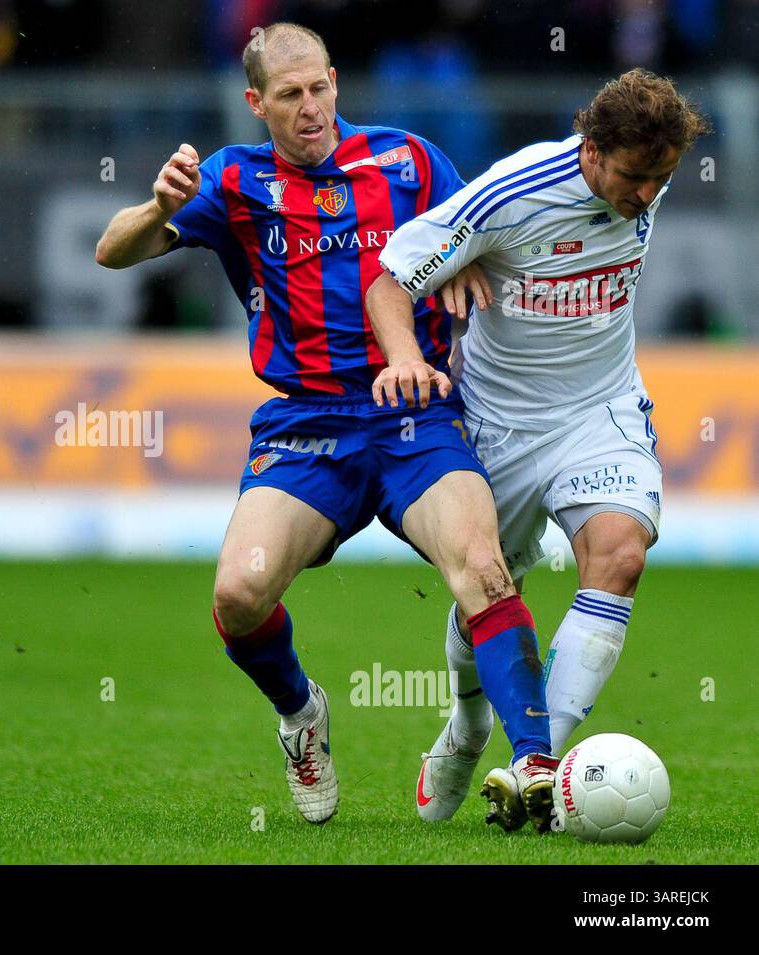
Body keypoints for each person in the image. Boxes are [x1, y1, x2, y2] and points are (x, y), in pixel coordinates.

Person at [96, 22, 556, 830]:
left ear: (336, 81)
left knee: (483, 569)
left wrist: (475, 257)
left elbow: (480, 223)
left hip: (413, 416)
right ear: (255, 103)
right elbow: (113, 251)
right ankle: (301, 713)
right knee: (239, 594)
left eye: (320, 89)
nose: (310, 110)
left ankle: (536, 767)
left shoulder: (409, 161)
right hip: (304, 426)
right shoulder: (233, 179)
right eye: (289, 96)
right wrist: (158, 205)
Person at [370, 68, 710, 829]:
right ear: (591, 149)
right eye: (633, 178)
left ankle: (538, 768)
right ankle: (466, 722)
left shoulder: (645, 172)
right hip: (501, 423)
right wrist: (405, 353)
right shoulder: (510, 193)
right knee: (487, 586)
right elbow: (391, 281)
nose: (647, 195)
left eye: (661, 179)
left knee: (620, 554)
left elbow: (640, 186)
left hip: (602, 409)